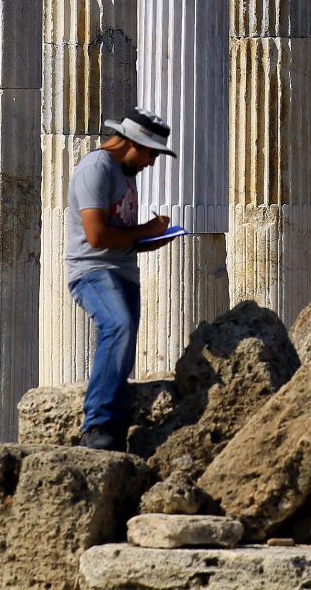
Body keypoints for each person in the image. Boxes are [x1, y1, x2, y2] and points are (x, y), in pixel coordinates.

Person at [67, 107, 178, 450]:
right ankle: (96, 424)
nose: (152, 163)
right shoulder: (96, 169)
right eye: (152, 154)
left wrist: (151, 239)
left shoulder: (124, 172)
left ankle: (113, 430)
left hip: (123, 271)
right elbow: (97, 237)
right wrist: (146, 229)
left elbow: (121, 233)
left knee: (124, 344)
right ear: (134, 144)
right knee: (118, 327)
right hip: (93, 271)